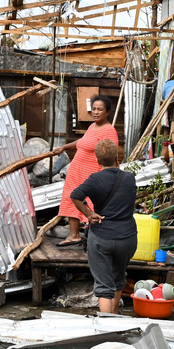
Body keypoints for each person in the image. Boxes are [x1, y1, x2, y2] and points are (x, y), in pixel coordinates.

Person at [70, 139, 139, 314]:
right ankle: (114, 316)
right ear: (117, 157)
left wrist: (88, 214)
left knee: (103, 286)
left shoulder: (94, 179)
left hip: (102, 237)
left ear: (97, 160)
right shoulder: (129, 178)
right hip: (127, 238)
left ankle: (106, 327)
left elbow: (75, 195)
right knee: (118, 278)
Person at [56, 95, 119, 246]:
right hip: (76, 170)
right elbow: (83, 141)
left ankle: (94, 238)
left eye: (100, 109)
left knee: (90, 204)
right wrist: (64, 147)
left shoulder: (109, 131)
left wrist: (111, 176)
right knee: (71, 199)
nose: (96, 112)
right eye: (94, 109)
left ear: (108, 112)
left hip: (92, 173)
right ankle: (74, 235)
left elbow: (112, 154)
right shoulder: (92, 126)